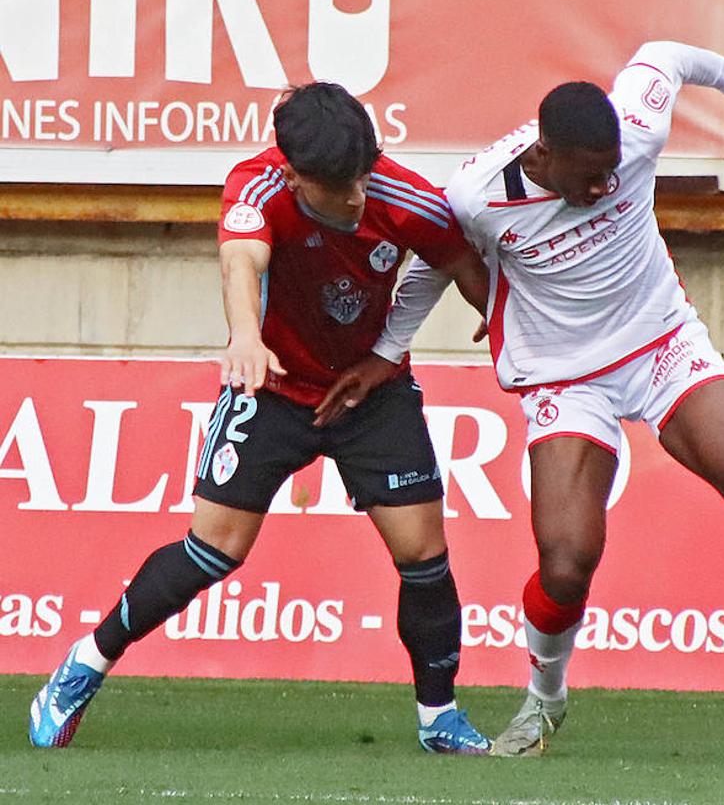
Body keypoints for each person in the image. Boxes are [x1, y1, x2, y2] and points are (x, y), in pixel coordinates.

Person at [365, 41, 724, 758]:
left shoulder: (635, 129)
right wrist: (387, 351)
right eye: (587, 179)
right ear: (544, 157)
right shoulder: (478, 194)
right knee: (566, 561)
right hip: (563, 373)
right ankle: (544, 703)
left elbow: (663, 56)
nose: (603, 188)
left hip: (660, 342)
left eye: (611, 174)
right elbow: (438, 257)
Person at [29, 82, 492, 754]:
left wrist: (498, 317)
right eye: (339, 186)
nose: (357, 196)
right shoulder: (257, 187)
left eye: (364, 175)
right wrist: (245, 336)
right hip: (271, 384)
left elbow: (456, 257)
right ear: (295, 172)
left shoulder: (403, 195)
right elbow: (241, 258)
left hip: (372, 393)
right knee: (212, 551)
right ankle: (84, 665)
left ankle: (439, 717)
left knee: (424, 557)